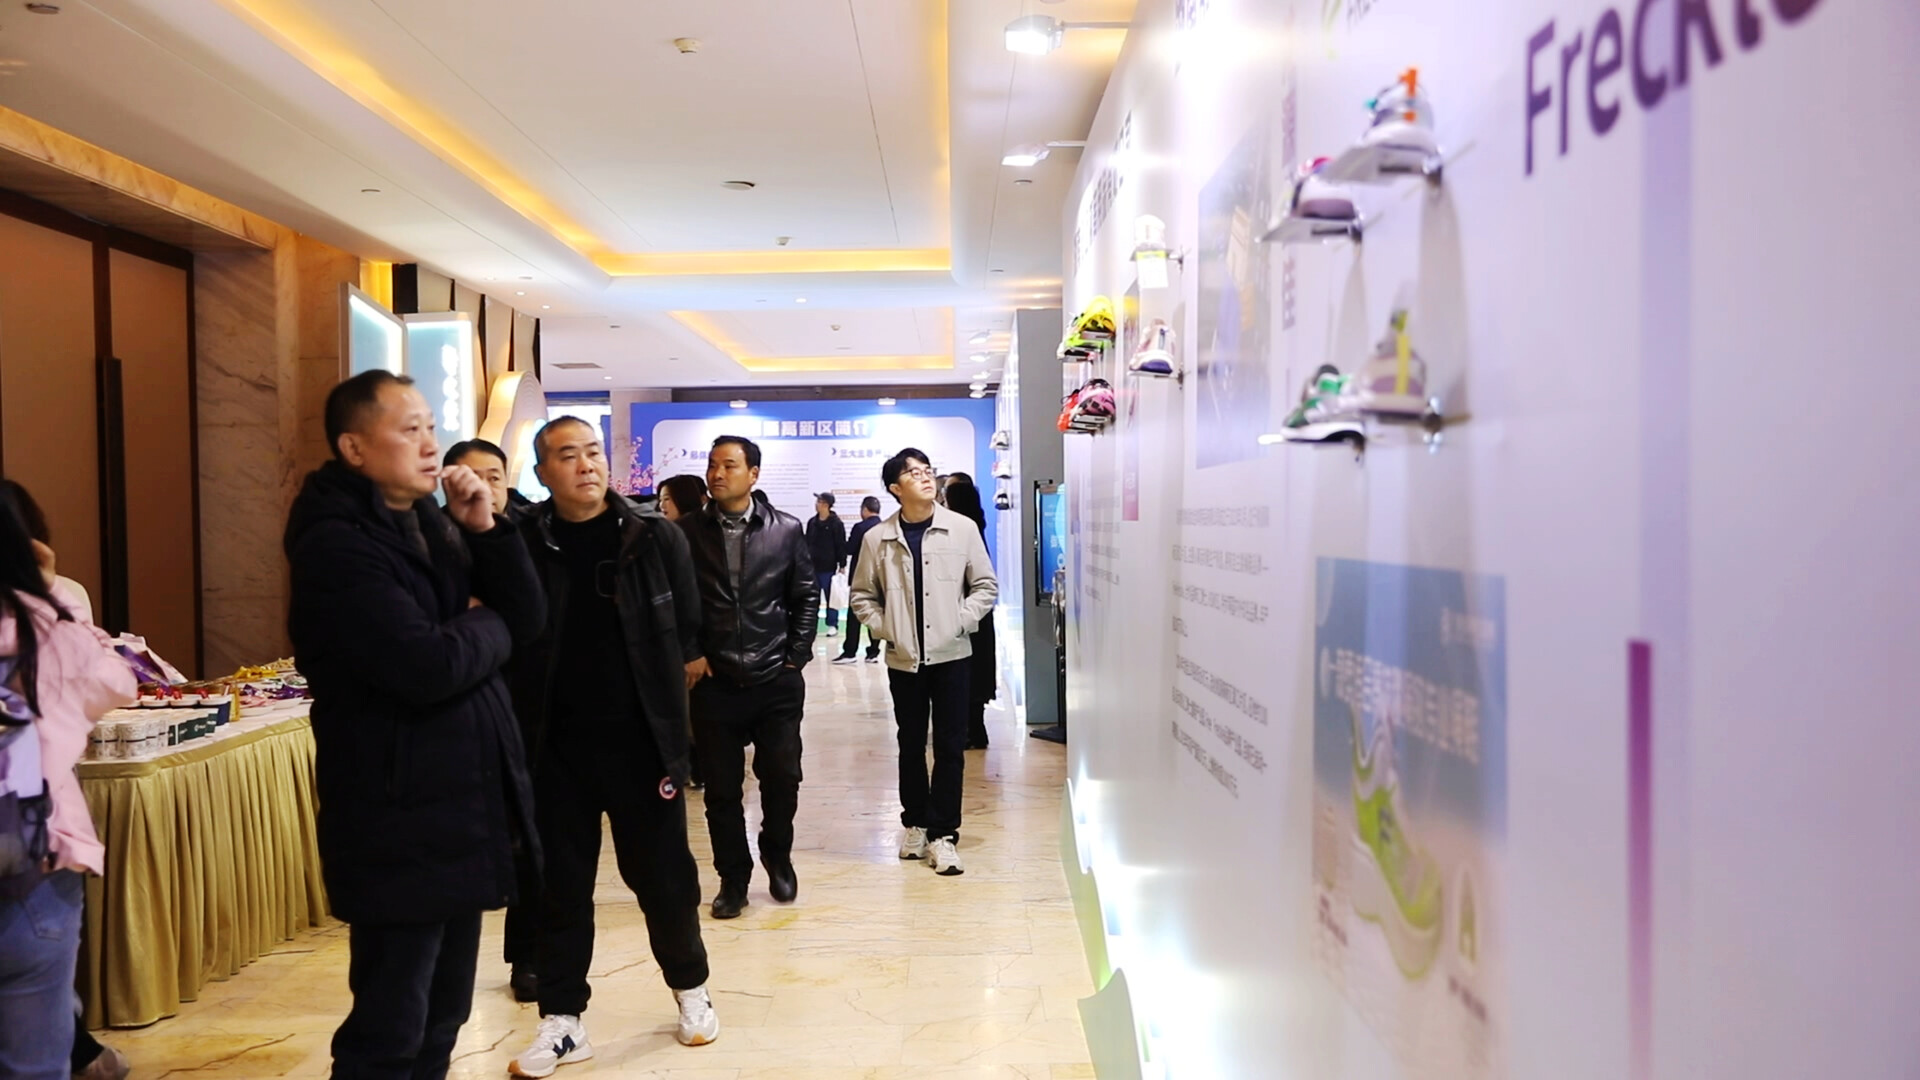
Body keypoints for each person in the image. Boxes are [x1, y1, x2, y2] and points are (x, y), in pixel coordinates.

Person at [285, 370, 546, 1080]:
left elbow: (528, 619)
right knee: (389, 1028)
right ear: (354, 448)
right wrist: (486, 625)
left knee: (442, 1017)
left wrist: (484, 530)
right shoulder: (336, 544)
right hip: (396, 811)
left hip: (458, 805)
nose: (431, 444)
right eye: (409, 430)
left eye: (431, 426)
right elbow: (425, 665)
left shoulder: (430, 520)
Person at [503, 418, 718, 1073]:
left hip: (641, 745)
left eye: (592, 452)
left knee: (663, 879)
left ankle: (692, 991)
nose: (585, 465)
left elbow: (686, 626)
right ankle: (563, 1021)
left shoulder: (653, 537)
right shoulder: (524, 542)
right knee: (559, 888)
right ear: (543, 473)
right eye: (567, 456)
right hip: (554, 749)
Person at [0, 483, 137, 1080]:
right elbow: (116, 682)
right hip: (31, 864)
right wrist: (50, 594)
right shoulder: (45, 636)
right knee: (34, 1063)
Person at [677, 436, 817, 918]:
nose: (718, 474)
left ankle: (777, 855)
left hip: (775, 678)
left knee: (782, 777)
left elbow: (805, 595)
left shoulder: (785, 529)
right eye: (712, 465)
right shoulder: (687, 532)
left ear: (753, 474)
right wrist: (691, 652)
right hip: (714, 681)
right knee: (721, 790)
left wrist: (796, 656)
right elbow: (674, 599)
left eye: (729, 466)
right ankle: (732, 877)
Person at [849, 450, 997, 877]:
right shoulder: (878, 538)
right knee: (911, 743)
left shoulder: (962, 528)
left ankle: (944, 834)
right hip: (904, 659)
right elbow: (862, 594)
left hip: (952, 655)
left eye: (927, 471)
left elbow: (985, 585)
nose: (926, 478)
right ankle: (915, 823)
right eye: (913, 473)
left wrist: (959, 621)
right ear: (895, 488)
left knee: (950, 746)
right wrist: (887, 628)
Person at [940, 477, 998, 748]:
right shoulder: (976, 526)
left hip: (965, 612)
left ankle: (970, 731)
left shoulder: (962, 531)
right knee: (977, 671)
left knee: (967, 671)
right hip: (977, 614)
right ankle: (975, 729)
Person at [831, 497, 885, 665]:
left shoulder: (860, 527)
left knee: (854, 615)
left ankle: (850, 652)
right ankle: (873, 652)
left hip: (860, 576)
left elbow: (850, 549)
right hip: (880, 577)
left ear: (865, 509)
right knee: (875, 614)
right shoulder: (885, 527)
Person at [443, 439, 533, 525]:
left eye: (494, 478)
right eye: (472, 480)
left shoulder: (533, 524)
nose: (485, 491)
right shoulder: (437, 529)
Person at [804, 493, 847, 636]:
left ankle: (832, 624)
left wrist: (842, 564)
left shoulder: (836, 524)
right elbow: (807, 542)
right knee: (812, 598)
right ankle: (811, 625)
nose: (816, 504)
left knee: (831, 597)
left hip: (828, 567)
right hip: (812, 567)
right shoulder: (812, 522)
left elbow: (840, 544)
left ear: (826, 505)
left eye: (819, 501)